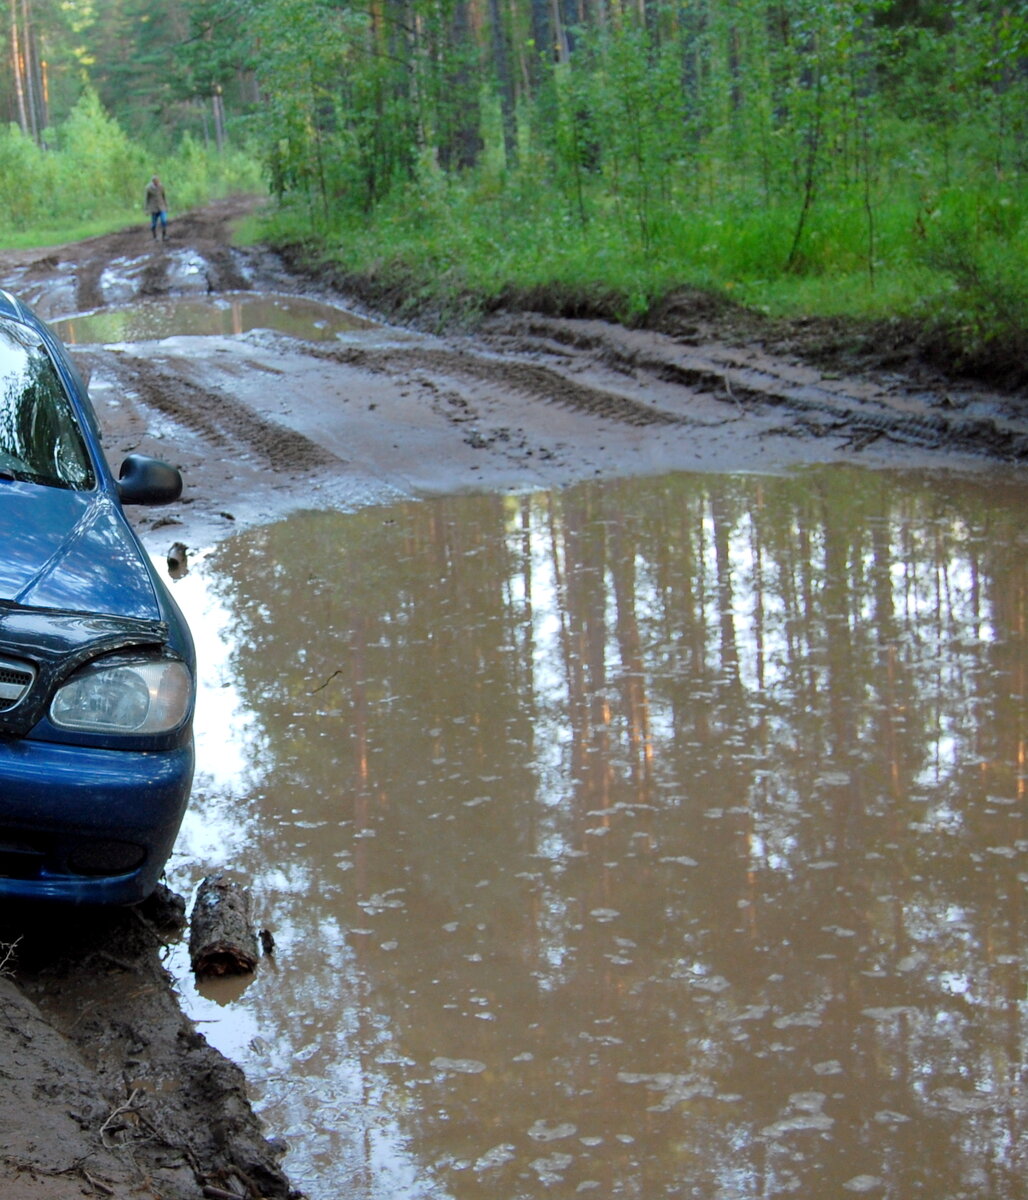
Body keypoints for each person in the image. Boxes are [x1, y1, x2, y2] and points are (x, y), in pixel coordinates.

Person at [145, 175, 168, 240]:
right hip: (154, 208)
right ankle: (155, 236)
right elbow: (147, 199)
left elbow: (164, 197)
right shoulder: (148, 188)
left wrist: (166, 206)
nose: (157, 183)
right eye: (155, 181)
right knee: (154, 224)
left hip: (161, 207)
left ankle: (164, 235)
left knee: (164, 221)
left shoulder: (161, 187)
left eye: (158, 181)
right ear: (153, 182)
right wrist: (146, 209)